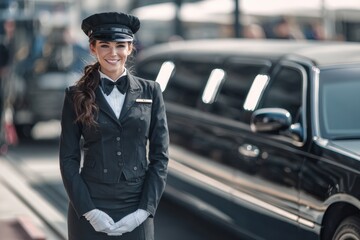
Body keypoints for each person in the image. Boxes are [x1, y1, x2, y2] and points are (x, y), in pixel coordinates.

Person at [59, 12, 169, 240]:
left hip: (136, 205)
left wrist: (144, 211)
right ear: (93, 48)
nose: (113, 53)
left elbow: (160, 157)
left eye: (120, 45)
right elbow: (68, 159)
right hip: (90, 204)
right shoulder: (75, 95)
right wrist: (88, 211)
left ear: (130, 48)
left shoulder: (152, 91)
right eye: (105, 45)